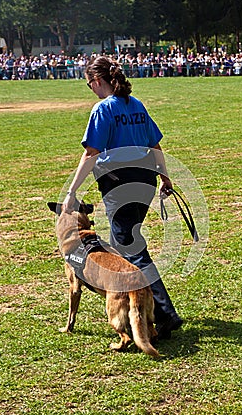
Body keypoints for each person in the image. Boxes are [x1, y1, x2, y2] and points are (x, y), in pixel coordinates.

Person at [62, 55, 183, 339]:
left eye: (89, 83)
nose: (90, 88)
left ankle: (164, 313)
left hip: (120, 184)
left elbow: (91, 153)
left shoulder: (103, 109)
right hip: (145, 180)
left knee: (130, 249)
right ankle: (143, 311)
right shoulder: (137, 104)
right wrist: (164, 176)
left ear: (98, 80)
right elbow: (155, 145)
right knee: (128, 243)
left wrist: (72, 191)